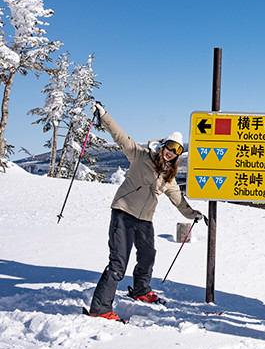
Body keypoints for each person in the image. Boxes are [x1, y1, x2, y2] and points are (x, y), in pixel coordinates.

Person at [86, 102, 206, 322]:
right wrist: (104, 116)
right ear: (162, 145)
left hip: (145, 220)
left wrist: (193, 214)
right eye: (170, 147)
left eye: (176, 151)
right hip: (123, 213)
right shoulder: (140, 155)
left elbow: (179, 201)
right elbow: (120, 136)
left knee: (148, 255)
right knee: (118, 263)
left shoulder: (168, 177)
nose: (171, 153)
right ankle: (100, 308)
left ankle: (141, 290)